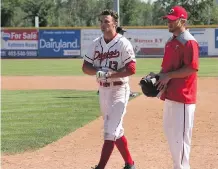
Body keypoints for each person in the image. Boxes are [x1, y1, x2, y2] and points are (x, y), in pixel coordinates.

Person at [82, 9, 136, 169]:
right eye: (101, 21)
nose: (103, 24)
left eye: (106, 21)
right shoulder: (96, 43)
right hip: (103, 91)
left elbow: (132, 68)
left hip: (120, 90)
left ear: (114, 23)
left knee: (110, 131)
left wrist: (111, 75)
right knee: (116, 130)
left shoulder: (123, 43)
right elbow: (85, 67)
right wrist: (98, 72)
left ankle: (100, 167)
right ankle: (130, 164)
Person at [149, 6, 199, 169]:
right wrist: (156, 76)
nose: (169, 23)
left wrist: (168, 76)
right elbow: (166, 68)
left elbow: (191, 68)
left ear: (182, 21)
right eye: (168, 20)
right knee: (172, 136)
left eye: (172, 20)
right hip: (170, 95)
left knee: (182, 139)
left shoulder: (189, 42)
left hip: (184, 98)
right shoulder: (171, 42)